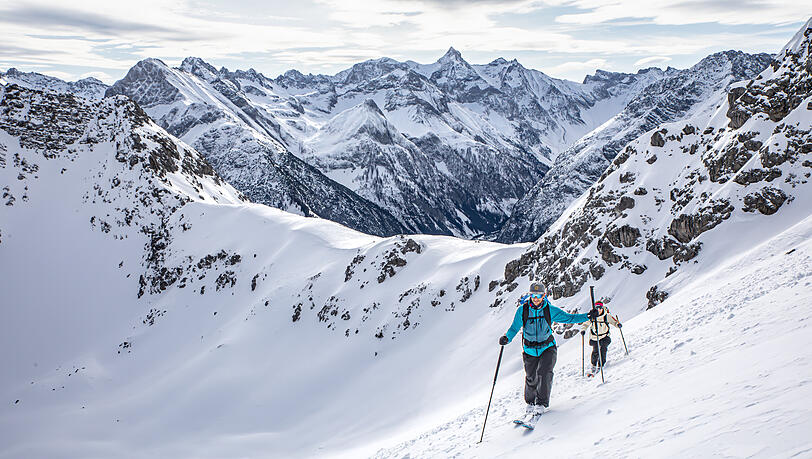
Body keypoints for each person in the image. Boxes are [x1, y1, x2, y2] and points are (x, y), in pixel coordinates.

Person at [498, 282, 598, 427]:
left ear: (544, 296)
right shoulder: (523, 311)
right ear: (529, 295)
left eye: (539, 296)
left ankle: (541, 404)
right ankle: (531, 403)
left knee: (544, 373)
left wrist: (588, 316)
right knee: (531, 377)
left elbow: (569, 318)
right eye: (533, 295)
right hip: (529, 349)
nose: (536, 298)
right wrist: (507, 337)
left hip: (547, 348)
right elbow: (514, 327)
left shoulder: (549, 310)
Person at [580, 301, 622, 376]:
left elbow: (613, 321)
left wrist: (618, 324)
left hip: (604, 336)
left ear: (602, 308)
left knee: (603, 349)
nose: (598, 309)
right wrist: (583, 330)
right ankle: (593, 365)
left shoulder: (606, 315)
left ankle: (601, 365)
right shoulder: (592, 316)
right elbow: (585, 324)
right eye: (597, 308)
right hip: (595, 337)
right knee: (595, 351)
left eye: (600, 308)